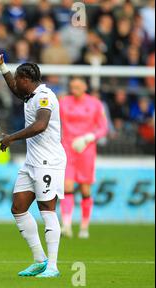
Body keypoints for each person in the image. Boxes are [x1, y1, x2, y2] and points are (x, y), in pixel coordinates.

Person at [0, 46, 66, 278]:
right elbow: (14, 89)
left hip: (48, 161)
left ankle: (52, 266)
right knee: (18, 208)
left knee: (47, 210)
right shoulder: (30, 94)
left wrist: (11, 137)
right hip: (32, 162)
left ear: (26, 79)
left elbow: (40, 125)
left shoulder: (44, 97)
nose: (16, 85)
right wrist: (1, 66)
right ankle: (40, 260)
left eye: (18, 79)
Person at [59, 78, 108, 239]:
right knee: (67, 186)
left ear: (85, 87)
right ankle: (66, 224)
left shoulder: (95, 104)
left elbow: (103, 128)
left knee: (85, 188)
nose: (75, 89)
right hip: (68, 148)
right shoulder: (64, 102)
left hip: (86, 150)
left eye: (78, 86)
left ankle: (84, 226)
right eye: (72, 86)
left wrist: (89, 137)